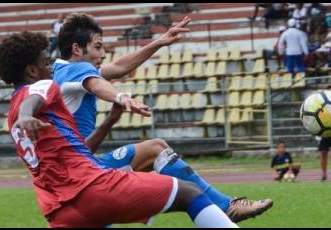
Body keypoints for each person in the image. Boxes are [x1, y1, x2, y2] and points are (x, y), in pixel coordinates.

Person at [0, 31, 239, 228]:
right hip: (90, 187)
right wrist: (28, 115)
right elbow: (34, 98)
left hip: (59, 210)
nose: (50, 68)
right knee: (189, 193)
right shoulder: (41, 87)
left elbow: (69, 149)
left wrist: (110, 119)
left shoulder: (12, 115)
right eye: (45, 62)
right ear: (31, 71)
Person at [54, 13, 273, 223]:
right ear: (77, 48)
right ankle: (226, 207)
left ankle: (225, 207)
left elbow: (119, 68)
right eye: (98, 47)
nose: (103, 54)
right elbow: (99, 84)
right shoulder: (78, 70)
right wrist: (120, 97)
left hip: (77, 171)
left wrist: (160, 42)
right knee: (160, 158)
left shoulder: (63, 72)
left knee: (154, 151)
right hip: (77, 177)